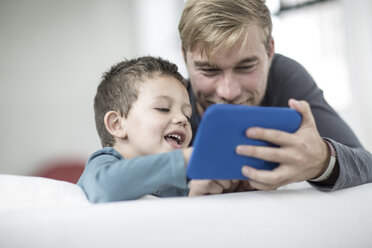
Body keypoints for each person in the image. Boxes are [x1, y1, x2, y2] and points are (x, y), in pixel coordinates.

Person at [178, 0, 372, 191]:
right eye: (208, 70)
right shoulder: (167, 102)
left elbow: (367, 166)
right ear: (185, 56)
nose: (228, 92)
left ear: (269, 51)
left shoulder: (282, 76)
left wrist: (322, 160)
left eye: (246, 67)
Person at [77, 56, 236, 202]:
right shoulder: (104, 163)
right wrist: (185, 158)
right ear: (117, 124)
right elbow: (104, 188)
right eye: (163, 108)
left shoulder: (176, 184)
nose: (182, 119)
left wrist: (194, 196)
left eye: (187, 114)